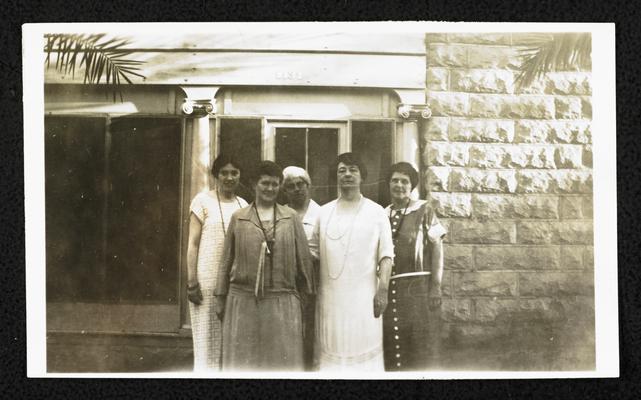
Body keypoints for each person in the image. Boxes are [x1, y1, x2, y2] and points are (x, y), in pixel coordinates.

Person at [214, 161, 315, 371]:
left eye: (275, 184)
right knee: (244, 362)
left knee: (282, 363)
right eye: (265, 183)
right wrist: (220, 297)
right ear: (254, 184)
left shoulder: (291, 217)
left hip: (282, 301)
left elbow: (304, 261)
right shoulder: (239, 218)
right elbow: (226, 260)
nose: (270, 189)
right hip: (243, 301)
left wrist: (307, 296)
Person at [310, 152, 394, 372]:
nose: (347, 174)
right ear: (336, 177)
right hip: (331, 297)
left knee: (364, 354)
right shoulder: (324, 212)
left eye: (353, 169)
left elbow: (386, 255)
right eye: (341, 170)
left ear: (362, 176)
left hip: (365, 297)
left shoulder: (376, 212)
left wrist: (383, 290)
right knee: (332, 350)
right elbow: (312, 253)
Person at [186, 154, 248, 371]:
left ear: (240, 175)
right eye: (224, 172)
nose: (229, 177)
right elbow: (193, 244)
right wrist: (192, 282)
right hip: (207, 279)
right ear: (215, 175)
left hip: (235, 280)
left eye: (234, 173)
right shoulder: (202, 201)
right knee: (206, 337)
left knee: (231, 338)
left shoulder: (243, 204)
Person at [383, 162, 446, 371]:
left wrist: (435, 285)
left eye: (404, 181)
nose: (399, 185)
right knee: (393, 343)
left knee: (419, 344)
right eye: (395, 180)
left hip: (418, 287)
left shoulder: (423, 209)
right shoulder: (383, 214)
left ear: (412, 186)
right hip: (391, 290)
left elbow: (437, 247)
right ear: (388, 184)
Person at [282, 166, 322, 370]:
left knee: (311, 327)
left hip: (315, 276)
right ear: (285, 190)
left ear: (309, 186)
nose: (297, 189)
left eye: (301, 184)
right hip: (287, 278)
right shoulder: (281, 213)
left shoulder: (321, 213)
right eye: (291, 186)